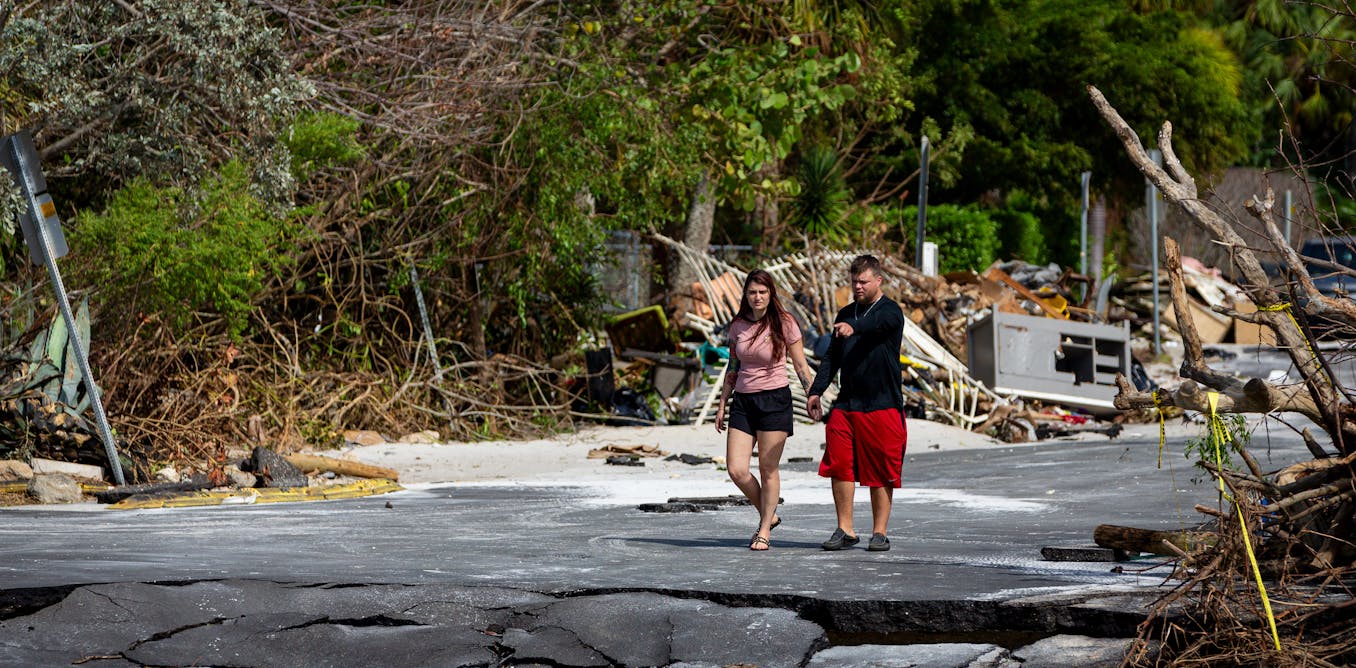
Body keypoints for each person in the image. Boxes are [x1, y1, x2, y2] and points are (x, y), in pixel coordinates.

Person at [806, 255, 906, 552]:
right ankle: (845, 529)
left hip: (882, 403)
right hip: (847, 404)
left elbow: (875, 324)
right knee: (839, 465)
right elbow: (832, 358)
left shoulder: (891, 312)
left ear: (878, 280)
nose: (858, 287)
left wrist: (854, 328)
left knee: (881, 470)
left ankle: (880, 532)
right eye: (854, 282)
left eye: (863, 281)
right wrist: (816, 390)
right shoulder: (846, 312)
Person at [715, 270, 815, 551]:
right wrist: (723, 403)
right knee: (736, 469)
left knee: (768, 469)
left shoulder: (785, 323)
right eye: (752, 292)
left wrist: (812, 396)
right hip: (744, 403)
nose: (757, 297)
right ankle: (770, 515)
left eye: (762, 292)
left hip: (774, 401)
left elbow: (800, 366)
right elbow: (733, 367)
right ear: (745, 295)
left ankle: (763, 530)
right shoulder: (737, 326)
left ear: (771, 294)